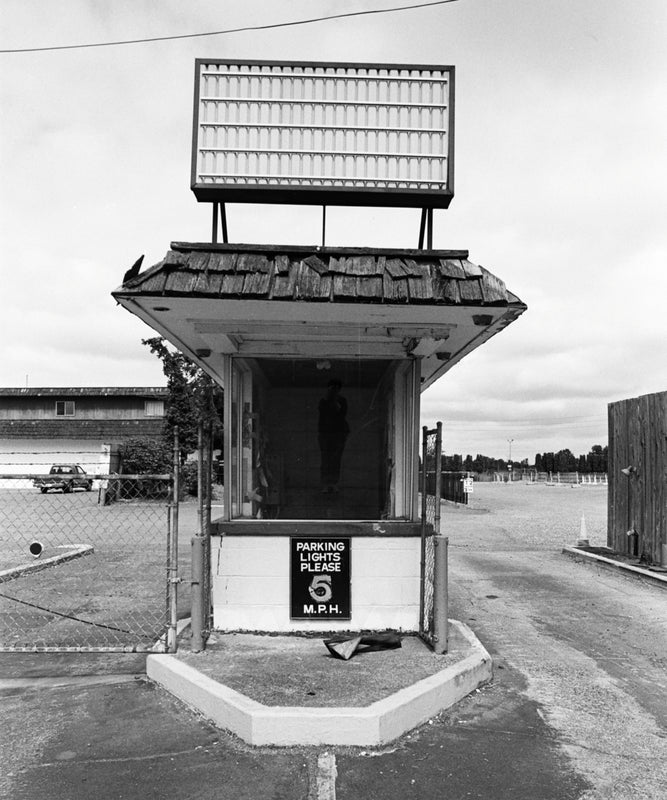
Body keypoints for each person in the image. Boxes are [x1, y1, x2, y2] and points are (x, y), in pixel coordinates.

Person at [318, 379, 349, 492]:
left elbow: (342, 414)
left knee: (336, 458)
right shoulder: (323, 401)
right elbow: (323, 413)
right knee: (325, 458)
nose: (334, 390)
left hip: (338, 434)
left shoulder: (342, 401)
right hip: (325, 434)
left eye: (336, 388)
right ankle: (325, 483)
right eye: (331, 388)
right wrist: (329, 399)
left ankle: (334, 483)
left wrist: (335, 400)